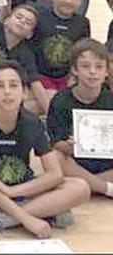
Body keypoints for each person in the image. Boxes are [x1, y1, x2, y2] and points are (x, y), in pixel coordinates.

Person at [0, 61, 90, 237]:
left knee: (80, 187)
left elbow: (55, 174)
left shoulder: (33, 122)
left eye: (13, 85)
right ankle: (42, 212)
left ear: (24, 92)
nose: (7, 92)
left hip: (20, 188)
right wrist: (29, 221)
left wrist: (12, 191)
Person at [47, 39, 113, 197]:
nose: (92, 72)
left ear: (106, 72)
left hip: (106, 165)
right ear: (74, 70)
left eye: (99, 67)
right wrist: (70, 146)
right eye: (85, 66)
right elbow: (56, 144)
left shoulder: (110, 98)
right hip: (75, 163)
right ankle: (105, 188)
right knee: (55, 158)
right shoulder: (61, 100)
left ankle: (84, 187)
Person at [35, 0, 91, 95]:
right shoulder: (40, 17)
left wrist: (73, 76)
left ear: (81, 0)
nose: (68, 1)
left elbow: (82, 52)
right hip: (41, 76)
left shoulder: (82, 23)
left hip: (68, 77)